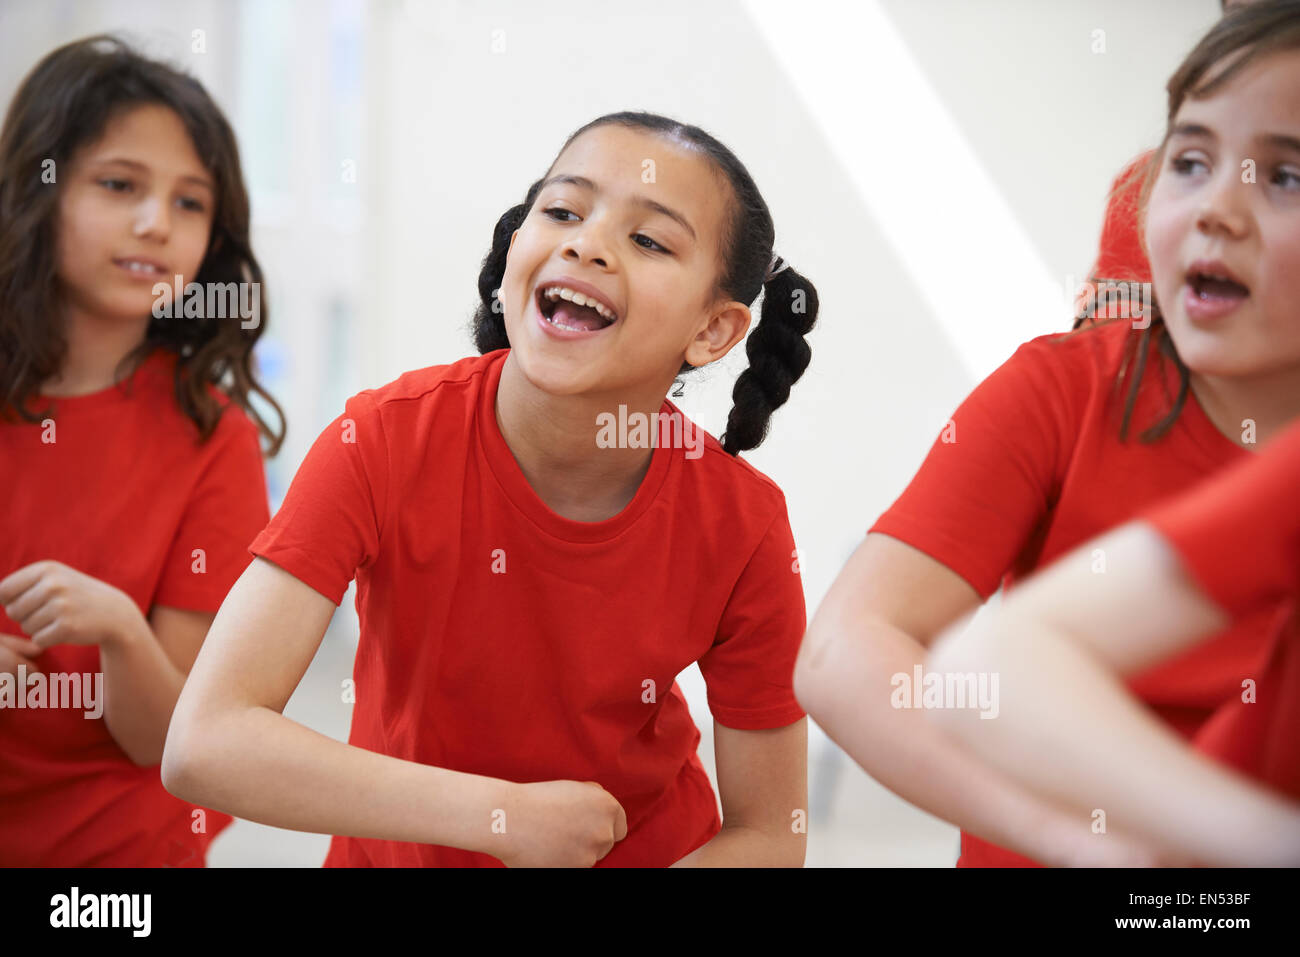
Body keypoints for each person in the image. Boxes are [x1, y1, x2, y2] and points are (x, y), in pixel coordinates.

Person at [163, 111, 819, 867]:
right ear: (517, 248)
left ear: (713, 329)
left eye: (649, 240)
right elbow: (206, 739)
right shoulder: (378, 439)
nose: (585, 243)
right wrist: (502, 815)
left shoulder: (746, 521)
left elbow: (772, 833)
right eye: (563, 210)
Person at [795, 0, 1300, 867]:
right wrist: (1081, 845)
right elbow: (845, 652)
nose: (1218, 208)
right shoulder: (1064, 390)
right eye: (1189, 161)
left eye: (1287, 177)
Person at [0, 35, 283, 866]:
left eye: (190, 202)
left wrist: (122, 633)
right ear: (36, 193)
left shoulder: (213, 437)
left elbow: (172, 747)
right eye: (120, 185)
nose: (156, 224)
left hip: (115, 857)